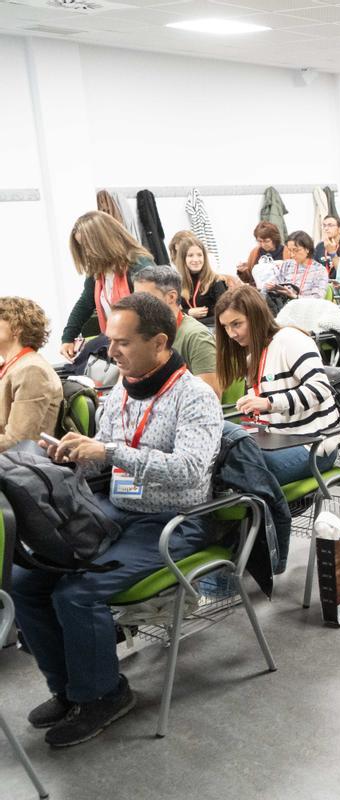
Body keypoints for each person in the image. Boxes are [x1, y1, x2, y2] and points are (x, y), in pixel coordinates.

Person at [15, 292, 221, 747]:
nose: (111, 352)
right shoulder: (124, 389)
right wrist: (74, 455)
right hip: (116, 508)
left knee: (77, 591)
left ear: (160, 342)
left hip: (173, 520)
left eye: (123, 343)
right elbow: (107, 462)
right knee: (24, 579)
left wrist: (108, 451)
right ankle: (70, 690)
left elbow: (189, 469)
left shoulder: (195, 396)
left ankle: (104, 695)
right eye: (110, 341)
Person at [213, 285, 340, 484]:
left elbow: (321, 388)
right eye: (226, 327)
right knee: (222, 462)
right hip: (279, 442)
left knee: (238, 472)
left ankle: (271, 516)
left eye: (236, 324)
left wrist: (269, 403)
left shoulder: (290, 339)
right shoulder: (254, 356)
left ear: (255, 317)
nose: (231, 334)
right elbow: (261, 415)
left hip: (316, 446)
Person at [60, 210, 156, 360]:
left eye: (87, 246)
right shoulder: (98, 271)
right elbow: (85, 303)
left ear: (103, 240)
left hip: (143, 348)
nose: (86, 252)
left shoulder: (139, 265)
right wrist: (68, 338)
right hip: (120, 346)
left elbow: (153, 313)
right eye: (82, 247)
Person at [132, 265, 220, 395]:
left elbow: (210, 397)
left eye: (145, 298)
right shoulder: (143, 333)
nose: (137, 304)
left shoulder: (196, 337)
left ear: (171, 297)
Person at [0, 297, 63, 452]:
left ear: (17, 328)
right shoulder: (13, 367)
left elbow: (17, 441)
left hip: (15, 467)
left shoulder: (32, 370)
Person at [172, 234, 227, 324]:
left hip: (213, 330)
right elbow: (174, 313)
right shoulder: (177, 283)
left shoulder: (216, 281)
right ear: (183, 259)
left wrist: (197, 323)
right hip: (191, 330)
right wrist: (188, 312)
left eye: (199, 255)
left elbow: (225, 314)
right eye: (190, 255)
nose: (196, 259)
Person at [266, 231, 329, 300]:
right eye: (290, 250)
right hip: (285, 306)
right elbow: (276, 281)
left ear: (307, 249)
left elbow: (318, 299)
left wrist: (295, 296)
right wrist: (271, 286)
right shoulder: (287, 264)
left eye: (296, 250)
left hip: (307, 308)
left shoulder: (320, 270)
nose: (292, 255)